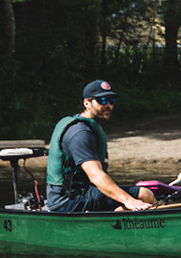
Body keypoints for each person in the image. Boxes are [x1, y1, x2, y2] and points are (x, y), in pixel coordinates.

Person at [45, 80, 156, 212]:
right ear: (87, 104)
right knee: (144, 194)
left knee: (136, 198)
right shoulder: (80, 134)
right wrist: (128, 199)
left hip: (82, 193)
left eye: (111, 101)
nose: (108, 105)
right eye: (102, 100)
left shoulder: (87, 127)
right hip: (67, 201)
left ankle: (119, 223)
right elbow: (96, 175)